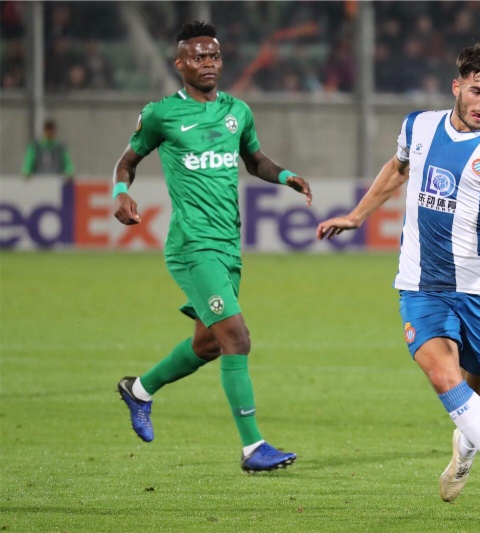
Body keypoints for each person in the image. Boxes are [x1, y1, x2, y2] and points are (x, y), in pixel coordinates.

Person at [316, 42, 480, 518]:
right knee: (442, 374)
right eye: (477, 91)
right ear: (456, 86)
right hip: (420, 284)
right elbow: (398, 170)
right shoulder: (419, 126)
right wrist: (357, 215)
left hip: (479, 289)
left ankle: (464, 451)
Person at [112, 21, 312, 473]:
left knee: (207, 344)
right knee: (237, 338)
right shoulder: (161, 114)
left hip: (228, 248)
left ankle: (138, 390)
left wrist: (285, 176)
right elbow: (127, 161)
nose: (208, 63)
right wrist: (120, 194)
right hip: (191, 247)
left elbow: (254, 159)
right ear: (179, 63)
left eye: (214, 56)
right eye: (198, 57)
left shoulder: (237, 111)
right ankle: (253, 447)